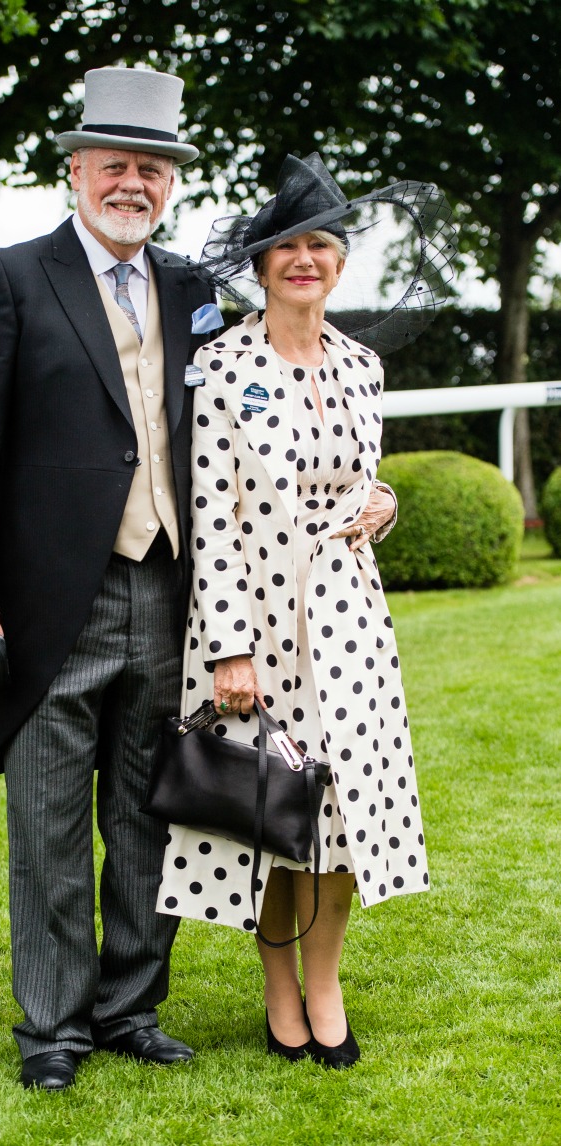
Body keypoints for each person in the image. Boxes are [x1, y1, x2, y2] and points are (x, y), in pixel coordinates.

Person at [0, 66, 216, 1092]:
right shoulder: (12, 275)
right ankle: (51, 1026)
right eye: (114, 164)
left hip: (173, 590)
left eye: (151, 167)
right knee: (48, 825)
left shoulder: (195, 288)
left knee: (150, 817)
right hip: (55, 595)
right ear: (75, 170)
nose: (131, 182)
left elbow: (240, 427)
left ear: (170, 183)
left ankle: (129, 1007)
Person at [158, 153, 456, 1067]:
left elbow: (363, 484)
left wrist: (388, 505)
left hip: (354, 625)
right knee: (273, 813)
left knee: (341, 817)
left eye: (322, 245)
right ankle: (277, 986)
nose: (305, 260)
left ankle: (324, 982)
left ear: (338, 263)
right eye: (288, 246)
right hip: (261, 624)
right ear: (260, 264)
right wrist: (229, 649)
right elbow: (211, 515)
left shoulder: (364, 367)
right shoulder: (220, 364)